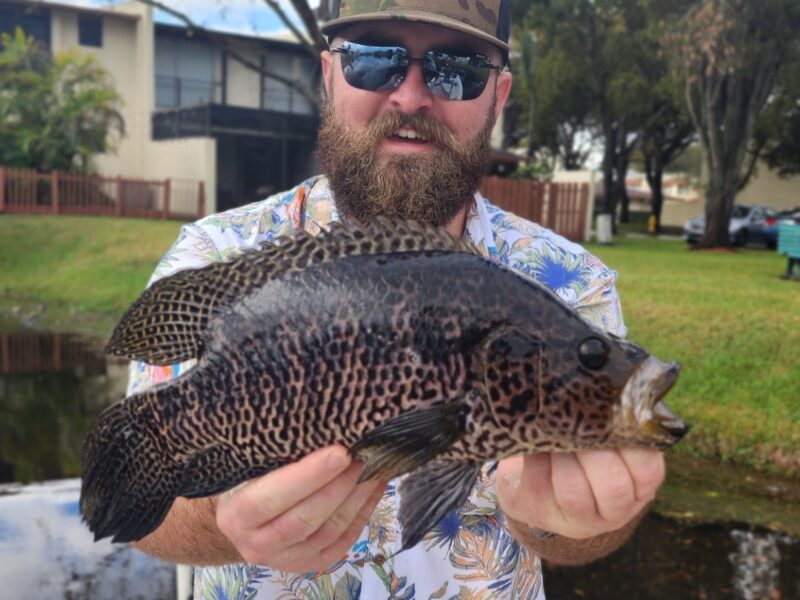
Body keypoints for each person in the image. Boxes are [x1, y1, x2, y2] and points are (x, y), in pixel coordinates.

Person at [127, 1, 667, 598]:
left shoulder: (571, 283)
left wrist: (569, 522)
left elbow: (585, 533)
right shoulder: (215, 254)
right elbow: (134, 507)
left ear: (499, 95)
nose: (410, 96)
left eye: (456, 68)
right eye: (373, 60)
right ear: (328, 74)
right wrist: (222, 520)